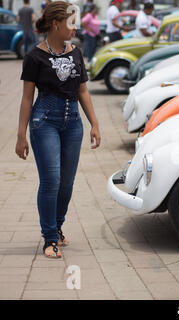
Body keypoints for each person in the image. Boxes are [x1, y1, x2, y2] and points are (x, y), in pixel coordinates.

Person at [15, 1, 101, 259]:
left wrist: (94, 123)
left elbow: (83, 90)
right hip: (44, 122)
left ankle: (58, 227)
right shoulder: (34, 57)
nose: (75, 28)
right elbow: (27, 99)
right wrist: (21, 135)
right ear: (56, 24)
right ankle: (49, 238)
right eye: (71, 23)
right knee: (51, 181)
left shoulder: (76, 53)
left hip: (73, 122)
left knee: (66, 184)